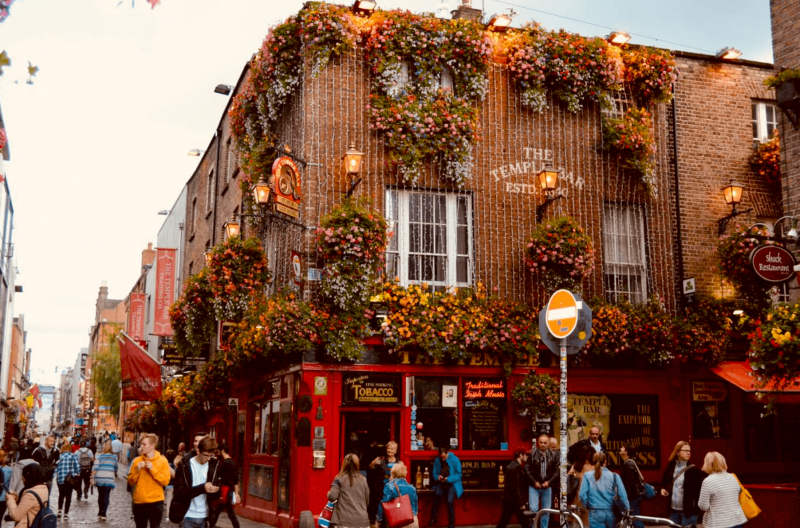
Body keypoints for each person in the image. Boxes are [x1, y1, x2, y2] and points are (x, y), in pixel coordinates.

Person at [174, 436, 221, 528]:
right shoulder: (184, 466)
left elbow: (217, 494)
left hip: (205, 517)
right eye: (206, 455)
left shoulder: (214, 466)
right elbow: (179, 493)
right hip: (187, 516)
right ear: (198, 451)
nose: (208, 459)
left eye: (210, 456)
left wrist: (215, 490)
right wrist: (202, 488)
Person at [128, 433, 172, 528]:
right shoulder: (136, 461)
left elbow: (165, 481)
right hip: (140, 501)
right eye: (141, 444)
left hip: (156, 501)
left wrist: (153, 470)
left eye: (144, 444)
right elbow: (131, 482)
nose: (141, 447)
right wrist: (137, 470)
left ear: (152, 446)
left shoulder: (162, 460)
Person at [660, 441, 705, 526]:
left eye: (689, 451)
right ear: (677, 452)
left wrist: (695, 505)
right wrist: (663, 488)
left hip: (688, 511)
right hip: (673, 511)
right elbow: (664, 480)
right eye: (685, 450)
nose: (688, 453)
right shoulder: (671, 466)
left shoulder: (694, 469)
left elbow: (702, 488)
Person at [578, 452, 629, 528]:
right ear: (605, 461)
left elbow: (582, 495)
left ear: (593, 462)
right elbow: (623, 496)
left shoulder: (587, 475)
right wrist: (627, 510)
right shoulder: (615, 476)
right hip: (611, 512)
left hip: (594, 511)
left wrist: (586, 505)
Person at [697, 452, 747, 528]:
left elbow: (703, 506)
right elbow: (737, 495)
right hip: (737, 520)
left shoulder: (708, 481)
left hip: (719, 523)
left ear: (707, 464)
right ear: (723, 462)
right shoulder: (733, 477)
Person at [327, 454, 369, 528]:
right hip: (362, 521)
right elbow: (366, 500)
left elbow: (332, 497)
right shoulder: (363, 479)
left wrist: (328, 493)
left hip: (343, 521)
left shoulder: (339, 478)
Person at [525, 434, 558, 528]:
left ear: (548, 444)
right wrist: (534, 481)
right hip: (534, 485)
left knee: (546, 511)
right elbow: (526, 469)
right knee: (534, 510)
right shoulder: (533, 453)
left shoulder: (553, 454)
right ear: (538, 443)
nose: (543, 444)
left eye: (545, 442)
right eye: (541, 442)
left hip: (547, 486)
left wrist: (549, 482)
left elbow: (556, 470)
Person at [495, 445, 530, 528]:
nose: (526, 456)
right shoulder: (515, 468)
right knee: (524, 522)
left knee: (504, 521)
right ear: (520, 455)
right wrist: (521, 503)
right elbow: (515, 488)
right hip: (512, 501)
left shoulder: (513, 465)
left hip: (510, 500)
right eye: (525, 454)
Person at [368, 441, 401, 527]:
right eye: (388, 448)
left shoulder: (398, 462)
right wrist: (373, 463)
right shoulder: (381, 459)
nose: (389, 450)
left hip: (393, 486)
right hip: (381, 486)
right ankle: (379, 521)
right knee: (382, 503)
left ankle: (392, 520)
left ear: (395, 451)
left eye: (392, 449)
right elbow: (371, 469)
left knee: (393, 503)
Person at [6, 463, 49, 528]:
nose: (22, 479)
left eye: (24, 476)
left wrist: (10, 500)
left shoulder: (30, 495)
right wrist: (17, 499)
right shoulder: (43, 488)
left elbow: (16, 516)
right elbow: (31, 506)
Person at [208, 442, 240, 528]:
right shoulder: (233, 463)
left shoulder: (223, 463)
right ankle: (211, 525)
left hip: (224, 490)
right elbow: (236, 481)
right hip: (230, 490)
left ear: (222, 450)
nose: (217, 453)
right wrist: (236, 493)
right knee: (220, 511)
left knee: (228, 513)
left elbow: (219, 477)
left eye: (218, 451)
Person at [429, 446, 463, 528]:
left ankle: (451, 524)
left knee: (449, 501)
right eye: (441, 457)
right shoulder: (437, 460)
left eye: (444, 457)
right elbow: (434, 474)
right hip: (441, 483)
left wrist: (448, 479)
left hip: (451, 483)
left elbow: (459, 475)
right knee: (437, 496)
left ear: (447, 453)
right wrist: (438, 477)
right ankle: (433, 518)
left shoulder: (455, 460)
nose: (443, 459)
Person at [377, 462, 419, 528]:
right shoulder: (412, 488)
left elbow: (383, 505)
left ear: (393, 474)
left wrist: (378, 520)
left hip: (397, 521)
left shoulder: (389, 486)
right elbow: (415, 508)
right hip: (412, 521)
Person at [568, 448, 596, 528]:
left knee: (574, 523)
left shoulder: (576, 466)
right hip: (588, 500)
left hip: (574, 499)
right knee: (586, 524)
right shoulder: (594, 468)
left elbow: (568, 477)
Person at [92, 440, 119, 521]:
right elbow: (116, 467)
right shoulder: (115, 457)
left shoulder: (99, 456)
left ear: (104, 448)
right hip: (109, 479)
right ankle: (104, 513)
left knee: (100, 495)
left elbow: (95, 467)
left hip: (99, 478)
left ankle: (100, 511)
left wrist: (91, 477)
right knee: (106, 496)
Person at [619, 444, 644, 528]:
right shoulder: (629, 462)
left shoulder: (628, 464)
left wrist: (626, 497)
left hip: (633, 496)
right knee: (635, 517)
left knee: (634, 517)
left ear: (626, 452)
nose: (620, 448)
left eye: (622, 448)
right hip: (635, 495)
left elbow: (630, 482)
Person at [55, 442, 80, 519]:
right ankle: (66, 514)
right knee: (68, 496)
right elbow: (77, 466)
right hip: (69, 479)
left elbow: (55, 466)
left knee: (61, 495)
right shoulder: (73, 456)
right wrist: (77, 473)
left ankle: (59, 510)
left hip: (60, 478)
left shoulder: (59, 456)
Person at [164, 449, 176, 521]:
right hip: (171, 485)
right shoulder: (174, 465)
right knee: (169, 501)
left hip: (163, 484)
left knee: (161, 500)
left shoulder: (164, 464)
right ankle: (168, 516)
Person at [0, 450, 12, 521]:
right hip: (3, 496)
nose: (7, 458)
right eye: (5, 456)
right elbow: (10, 484)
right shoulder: (9, 470)